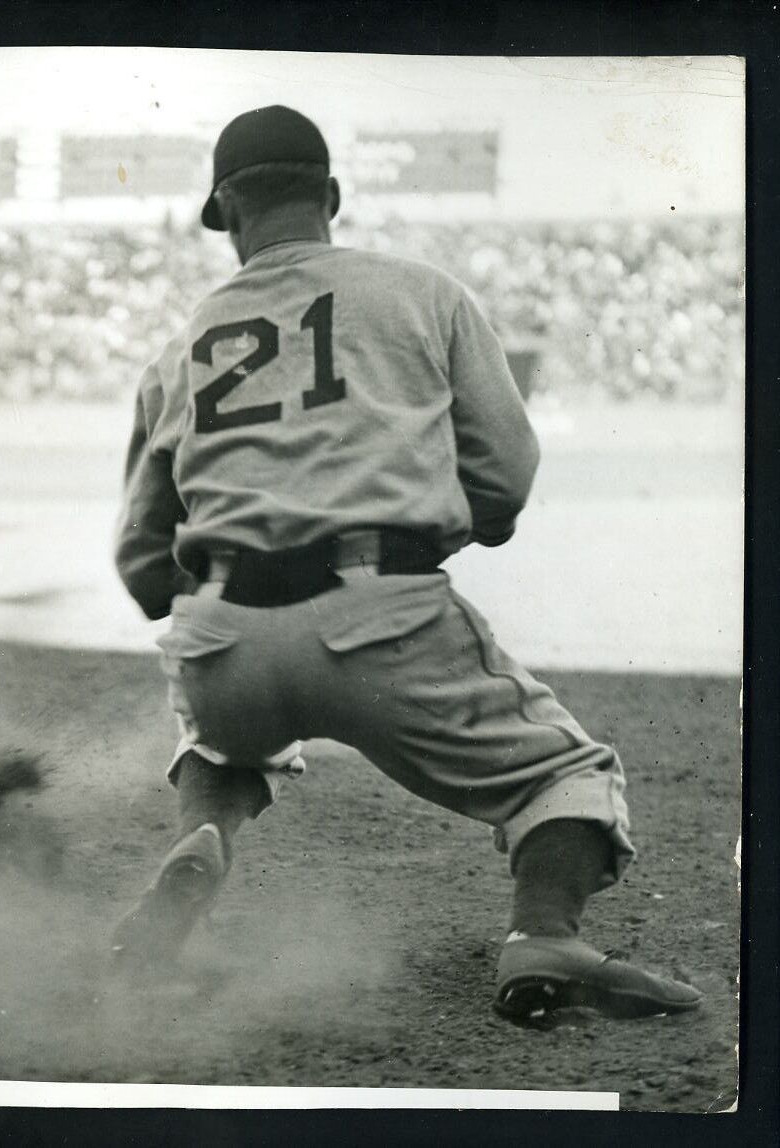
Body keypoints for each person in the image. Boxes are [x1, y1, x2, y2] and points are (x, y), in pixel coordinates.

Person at [108, 105, 702, 1024]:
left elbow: (143, 563)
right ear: (332, 197)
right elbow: (504, 474)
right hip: (376, 609)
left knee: (221, 738)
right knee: (566, 774)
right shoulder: (422, 292)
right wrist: (423, 536)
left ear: (224, 215)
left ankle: (199, 838)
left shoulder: (174, 349)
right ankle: (543, 933)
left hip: (221, 633)